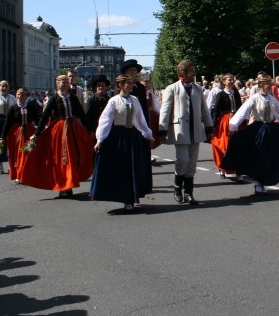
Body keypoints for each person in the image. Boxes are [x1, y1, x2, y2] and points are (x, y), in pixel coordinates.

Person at [223, 75, 279, 195]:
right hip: (258, 129)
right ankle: (258, 182)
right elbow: (243, 112)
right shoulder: (254, 98)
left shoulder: (272, 99)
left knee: (269, 156)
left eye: (270, 83)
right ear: (260, 85)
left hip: (270, 129)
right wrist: (233, 126)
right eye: (267, 84)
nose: (270, 86)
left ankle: (263, 181)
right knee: (260, 156)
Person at [91, 74, 154, 211]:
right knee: (121, 169)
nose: (131, 86)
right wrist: (100, 139)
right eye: (128, 83)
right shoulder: (114, 101)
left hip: (132, 136)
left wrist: (148, 134)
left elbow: (140, 120)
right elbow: (105, 121)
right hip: (118, 138)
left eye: (132, 83)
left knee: (132, 168)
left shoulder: (135, 100)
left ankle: (131, 199)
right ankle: (124, 197)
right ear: (120, 85)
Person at [25, 74, 94, 197]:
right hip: (60, 130)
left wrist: (90, 130)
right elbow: (45, 116)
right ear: (57, 83)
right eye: (62, 81)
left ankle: (69, 184)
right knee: (62, 158)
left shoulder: (73, 98)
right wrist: (36, 134)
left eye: (67, 81)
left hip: (73, 128)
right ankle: (63, 186)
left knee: (73, 157)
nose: (65, 83)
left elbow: (81, 114)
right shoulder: (54, 98)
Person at [158, 60, 213, 205]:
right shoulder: (172, 88)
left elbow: (204, 109)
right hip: (180, 131)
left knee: (192, 163)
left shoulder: (198, 89)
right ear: (183, 73)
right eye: (191, 71)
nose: (194, 74)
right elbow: (165, 109)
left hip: (195, 130)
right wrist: (162, 130)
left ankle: (189, 193)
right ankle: (177, 188)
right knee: (183, 160)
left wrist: (209, 127)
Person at [1, 87, 41, 182]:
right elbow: (7, 123)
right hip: (16, 134)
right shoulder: (13, 108)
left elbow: (37, 120)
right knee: (18, 154)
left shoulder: (31, 106)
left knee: (30, 152)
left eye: (22, 94)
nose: (20, 96)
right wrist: (2, 136)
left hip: (29, 131)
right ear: (16, 96)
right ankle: (19, 174)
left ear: (26, 96)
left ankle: (29, 173)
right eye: (18, 94)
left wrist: (40, 131)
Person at [209, 74, 243, 180]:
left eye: (233, 80)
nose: (232, 81)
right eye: (229, 80)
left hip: (236, 120)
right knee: (224, 145)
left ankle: (238, 170)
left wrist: (243, 119)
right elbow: (216, 111)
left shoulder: (236, 93)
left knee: (238, 145)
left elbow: (241, 107)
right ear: (224, 82)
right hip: (225, 121)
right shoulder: (220, 94)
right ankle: (223, 168)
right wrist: (213, 126)